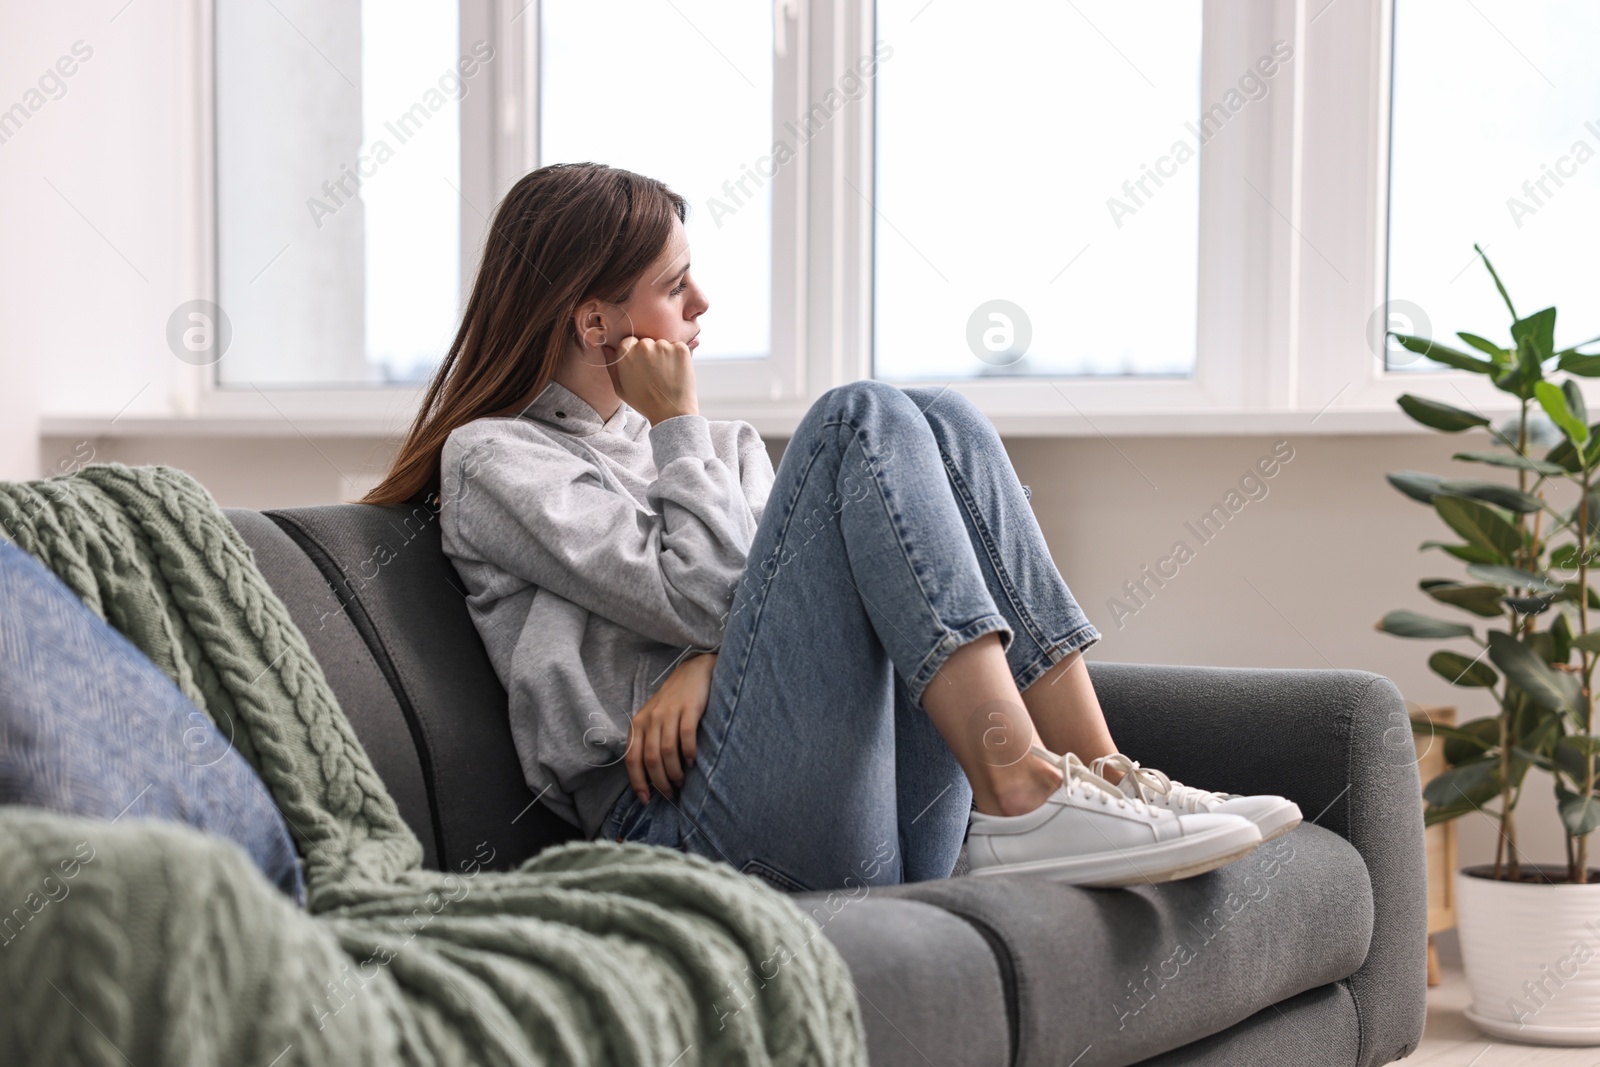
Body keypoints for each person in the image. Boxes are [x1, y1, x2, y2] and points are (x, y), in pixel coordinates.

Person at [362, 163, 1301, 893]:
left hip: (863, 810)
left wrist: (707, 665)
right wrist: (677, 432)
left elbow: (770, 617)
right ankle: (1019, 789)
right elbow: (714, 596)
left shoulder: (724, 448)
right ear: (596, 319)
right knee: (860, 416)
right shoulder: (497, 462)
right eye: (676, 285)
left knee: (942, 417)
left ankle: (1096, 777)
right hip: (688, 832)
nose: (702, 307)